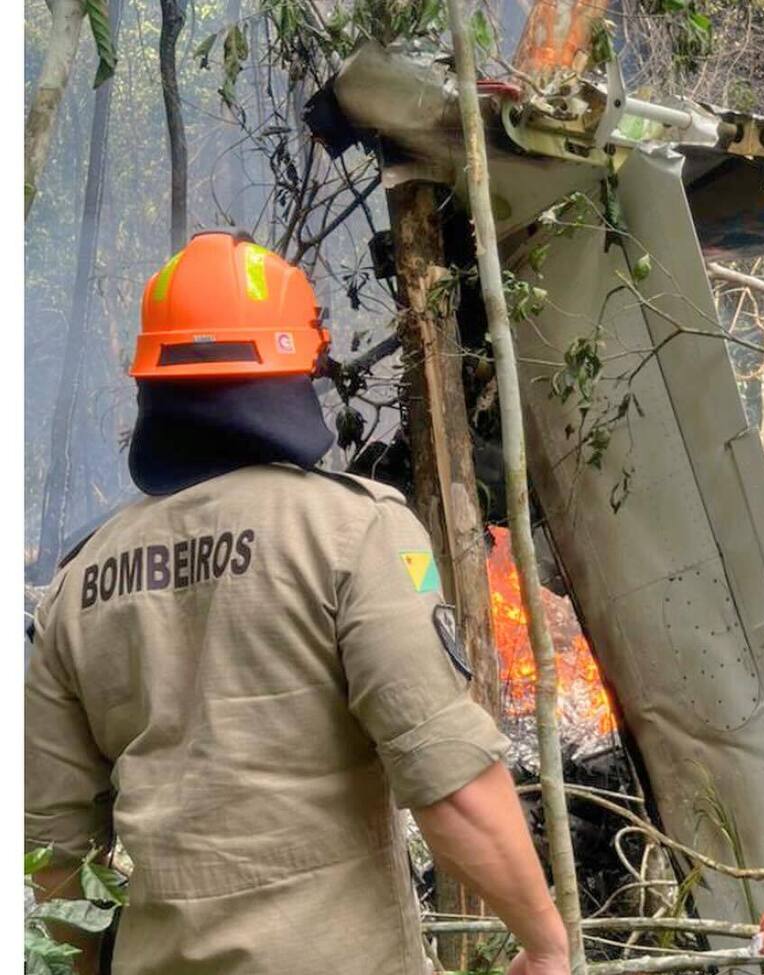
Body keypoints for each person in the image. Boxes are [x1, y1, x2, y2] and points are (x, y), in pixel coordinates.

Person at [25, 230, 570, 975]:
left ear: (153, 383)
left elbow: (54, 852)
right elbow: (448, 779)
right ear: (295, 365)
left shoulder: (77, 583)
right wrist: (543, 942)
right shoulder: (353, 529)